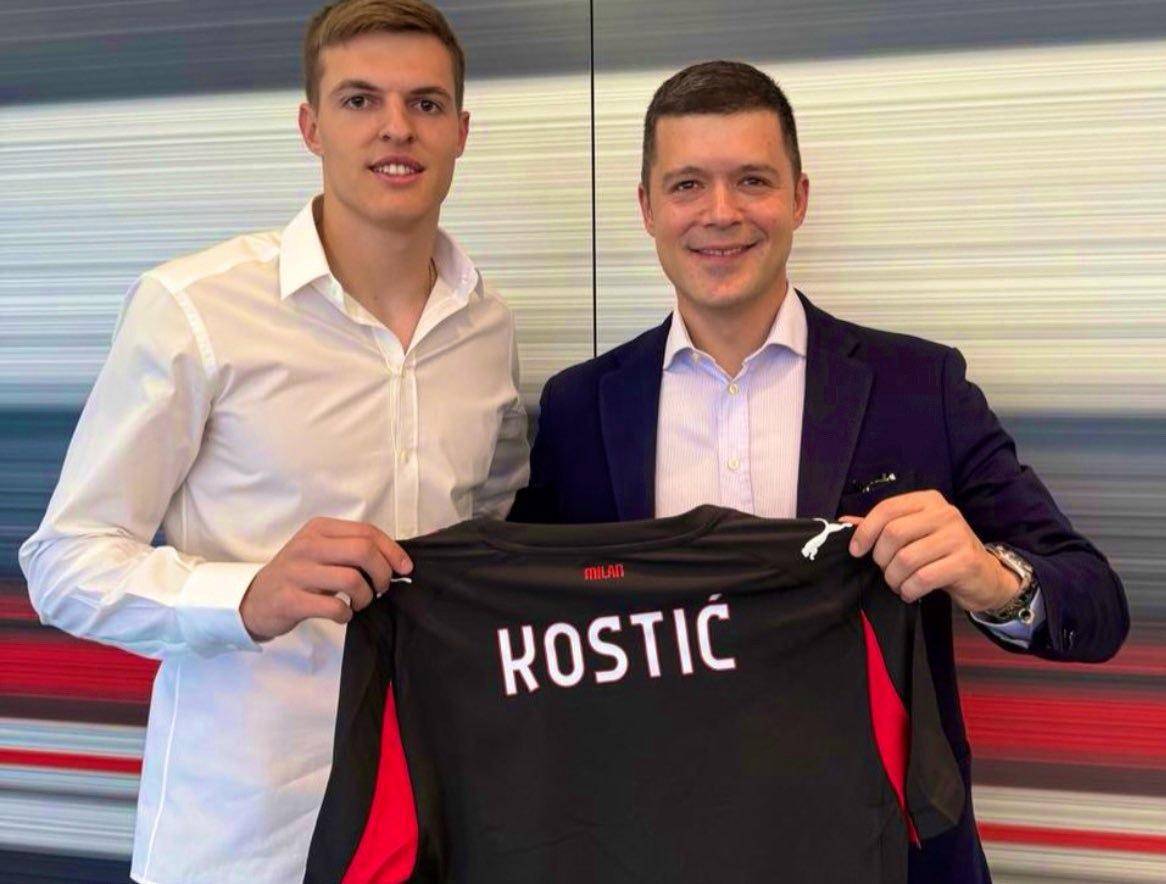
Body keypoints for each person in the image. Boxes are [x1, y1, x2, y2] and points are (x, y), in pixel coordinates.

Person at [510, 60, 1129, 883]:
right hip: (653, 848)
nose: (720, 213)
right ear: (648, 207)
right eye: (688, 184)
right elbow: (523, 631)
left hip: (885, 852)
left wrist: (988, 578)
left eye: (752, 180)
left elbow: (1097, 604)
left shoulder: (920, 387)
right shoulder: (579, 408)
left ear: (799, 197)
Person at [19, 1, 529, 881]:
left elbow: (489, 522)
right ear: (310, 126)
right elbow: (63, 564)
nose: (396, 128)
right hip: (245, 837)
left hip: (432, 819)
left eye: (426, 103)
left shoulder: (487, 326)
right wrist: (245, 595)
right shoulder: (195, 307)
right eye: (360, 100)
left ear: (461, 131)